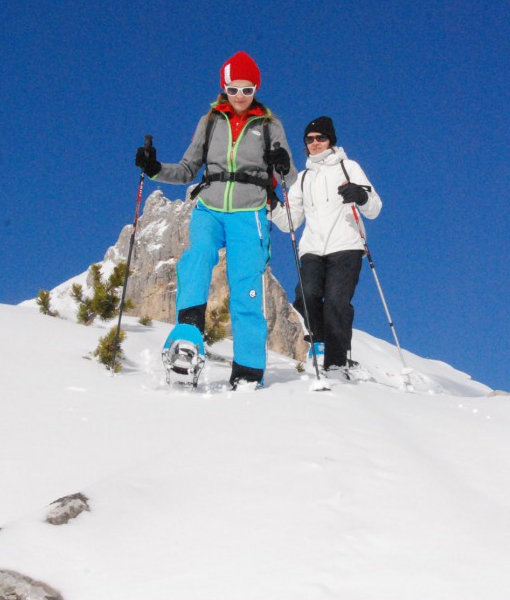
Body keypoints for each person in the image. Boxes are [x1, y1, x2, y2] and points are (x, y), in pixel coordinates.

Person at [135, 51, 297, 389]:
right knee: (197, 256)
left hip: (249, 212)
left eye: (247, 89)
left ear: (256, 89)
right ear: (225, 88)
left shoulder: (270, 126)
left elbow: (290, 176)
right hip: (209, 207)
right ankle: (187, 340)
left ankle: (249, 369)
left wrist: (282, 162)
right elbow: (186, 169)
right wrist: (154, 169)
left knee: (246, 285)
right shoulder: (210, 121)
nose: (240, 96)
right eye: (234, 89)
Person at [272, 116, 381, 378]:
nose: (315, 143)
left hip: (346, 245)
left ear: (330, 140)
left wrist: (361, 195)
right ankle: (319, 344)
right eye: (310, 140)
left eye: (320, 138)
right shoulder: (304, 178)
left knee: (336, 301)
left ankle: (336, 363)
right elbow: (290, 221)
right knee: (306, 295)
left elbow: (374, 208)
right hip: (312, 248)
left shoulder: (348, 167)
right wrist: (271, 202)